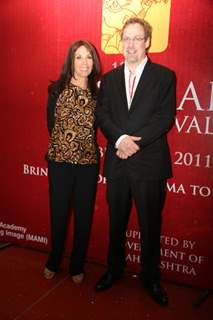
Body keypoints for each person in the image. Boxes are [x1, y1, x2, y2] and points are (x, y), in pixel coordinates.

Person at [95, 18, 176, 305]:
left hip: (149, 164)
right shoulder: (110, 79)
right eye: (126, 38)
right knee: (116, 222)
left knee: (150, 225)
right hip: (118, 162)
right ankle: (113, 270)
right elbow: (103, 115)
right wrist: (119, 141)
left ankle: (151, 278)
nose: (130, 44)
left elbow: (164, 119)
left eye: (136, 38)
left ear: (147, 42)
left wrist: (133, 144)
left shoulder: (165, 76)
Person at [44, 40, 100, 284]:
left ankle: (77, 264)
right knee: (58, 215)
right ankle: (54, 260)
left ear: (94, 61)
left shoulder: (99, 92)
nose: (84, 62)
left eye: (88, 57)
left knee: (84, 217)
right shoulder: (57, 89)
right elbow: (51, 125)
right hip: (59, 163)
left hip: (87, 164)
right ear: (71, 61)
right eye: (79, 57)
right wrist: (65, 148)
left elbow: (98, 126)